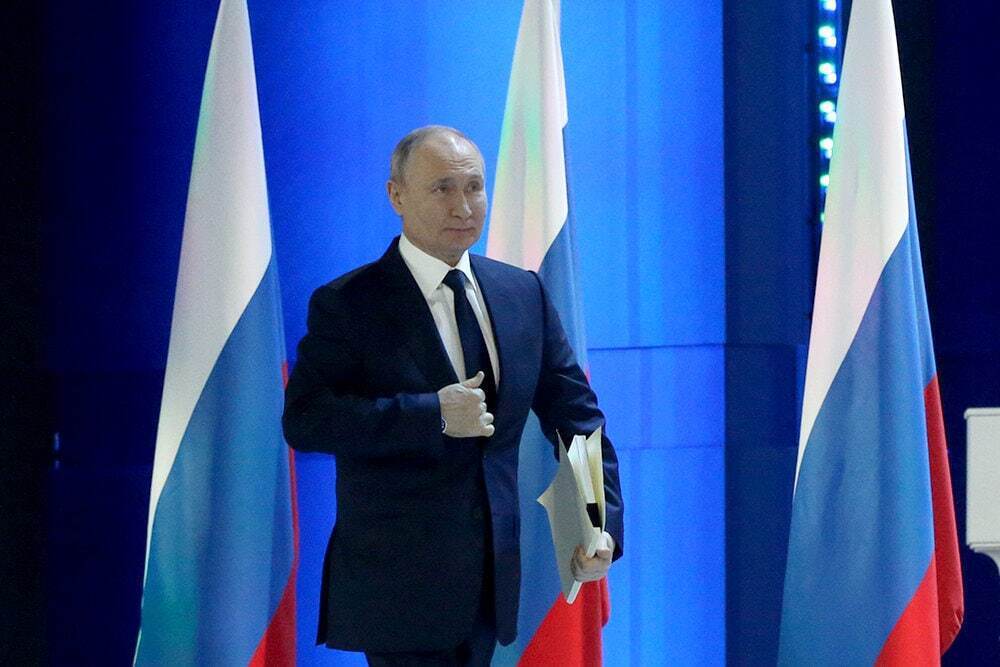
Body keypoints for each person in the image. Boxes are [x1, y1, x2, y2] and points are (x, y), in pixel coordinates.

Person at [283, 125, 623, 666]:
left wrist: (597, 522)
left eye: (474, 187)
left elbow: (578, 418)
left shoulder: (522, 292)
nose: (463, 206)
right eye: (442, 188)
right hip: (397, 589)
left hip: (492, 582)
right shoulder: (350, 303)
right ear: (397, 195)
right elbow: (307, 420)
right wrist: (433, 415)